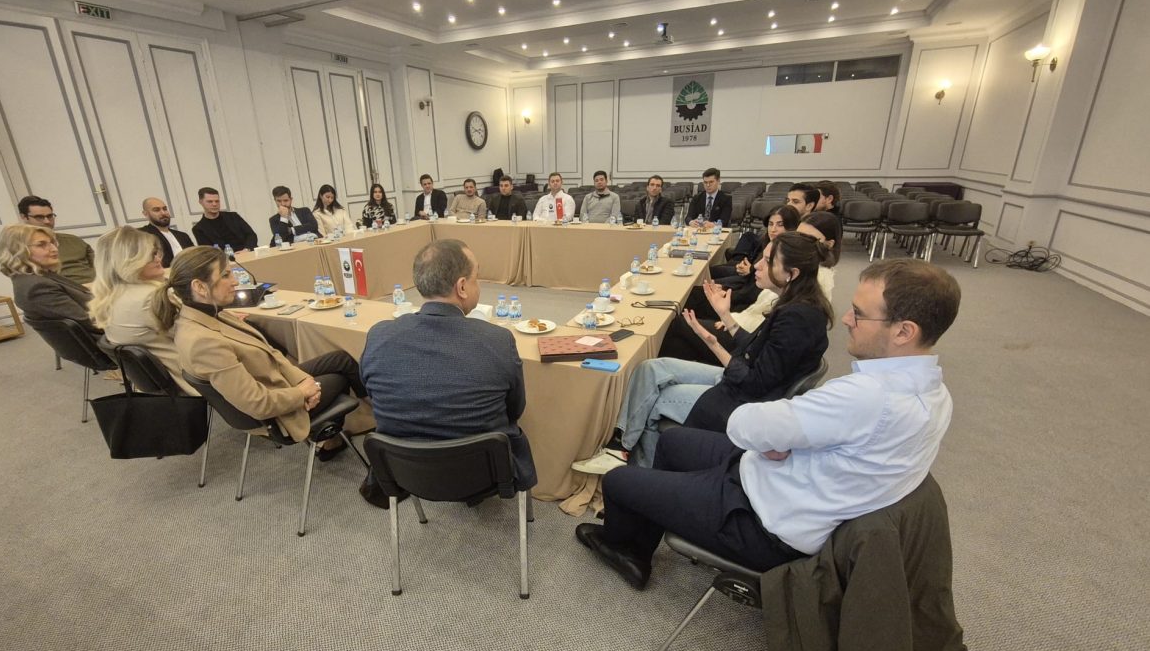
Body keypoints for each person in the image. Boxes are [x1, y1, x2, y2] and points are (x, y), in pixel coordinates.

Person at [575, 259, 961, 591]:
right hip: (780, 481)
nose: (846, 319)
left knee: (618, 481)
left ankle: (628, 550)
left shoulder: (868, 397)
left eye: (859, 314)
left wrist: (774, 437)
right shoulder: (937, 395)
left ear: (904, 331)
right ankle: (647, 534)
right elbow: (783, 432)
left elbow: (746, 424)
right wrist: (782, 439)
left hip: (763, 521)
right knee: (673, 443)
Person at [573, 232, 832, 473]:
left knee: (655, 403)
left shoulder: (798, 318)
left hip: (746, 402)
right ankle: (620, 448)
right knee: (651, 368)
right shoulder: (795, 304)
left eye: (767, 261)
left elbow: (755, 383)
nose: (757, 265)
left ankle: (648, 472)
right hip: (742, 381)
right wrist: (725, 316)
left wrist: (714, 344)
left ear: (792, 273)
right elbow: (758, 350)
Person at [359, 239, 537, 509]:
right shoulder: (498, 340)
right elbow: (515, 409)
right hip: (485, 474)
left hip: (405, 473)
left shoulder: (379, 335)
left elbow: (373, 394)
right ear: (462, 287)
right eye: (477, 278)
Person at [156, 246, 365, 457]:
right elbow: (257, 403)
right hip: (276, 412)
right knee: (340, 378)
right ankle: (340, 437)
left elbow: (271, 354)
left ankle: (365, 420)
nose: (235, 281)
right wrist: (301, 393)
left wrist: (303, 380)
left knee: (341, 360)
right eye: (226, 275)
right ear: (200, 287)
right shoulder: (202, 341)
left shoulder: (208, 315)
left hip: (273, 379)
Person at [663, 211, 841, 365]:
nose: (800, 242)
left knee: (679, 326)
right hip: (744, 333)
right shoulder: (795, 286)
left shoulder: (798, 311)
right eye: (799, 235)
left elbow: (754, 374)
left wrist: (722, 332)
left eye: (809, 239)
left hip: (744, 352)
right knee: (675, 346)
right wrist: (727, 317)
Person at [88, 226, 197, 395]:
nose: (158, 258)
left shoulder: (110, 298)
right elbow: (200, 338)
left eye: (156, 252)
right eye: (151, 254)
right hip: (193, 380)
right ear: (130, 261)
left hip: (160, 387)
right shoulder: (152, 297)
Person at [683, 204, 801, 318]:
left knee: (693, 294)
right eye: (770, 224)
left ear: (791, 227)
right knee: (697, 287)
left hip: (744, 306)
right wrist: (725, 287)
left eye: (780, 225)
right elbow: (749, 284)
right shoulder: (768, 245)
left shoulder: (784, 256)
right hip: (742, 291)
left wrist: (726, 292)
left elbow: (753, 294)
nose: (773, 229)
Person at [0, 223, 98, 331]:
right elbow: (90, 323)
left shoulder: (34, 277)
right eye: (41, 245)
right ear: (18, 250)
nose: (54, 249)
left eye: (52, 243)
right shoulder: (38, 287)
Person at [17, 195, 94, 284]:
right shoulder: (23, 247)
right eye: (39, 217)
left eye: (50, 216)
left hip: (97, 286)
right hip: (63, 289)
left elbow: (99, 265)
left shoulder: (74, 240)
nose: (47, 221)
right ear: (24, 217)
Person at [191, 187, 258, 251]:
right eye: (210, 201)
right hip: (223, 257)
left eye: (217, 201)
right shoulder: (199, 229)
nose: (214, 204)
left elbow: (251, 235)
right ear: (201, 202)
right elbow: (208, 251)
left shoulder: (233, 216)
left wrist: (246, 249)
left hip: (246, 252)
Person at [140, 197, 194, 266]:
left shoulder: (183, 236)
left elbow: (195, 257)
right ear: (145, 214)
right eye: (156, 210)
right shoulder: (144, 235)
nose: (163, 213)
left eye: (165, 209)